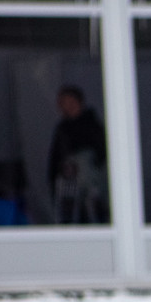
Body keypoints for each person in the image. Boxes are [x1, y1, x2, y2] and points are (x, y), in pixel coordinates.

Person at [47, 86, 107, 225]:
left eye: (66, 102)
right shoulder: (62, 129)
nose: (62, 107)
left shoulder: (92, 126)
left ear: (76, 101)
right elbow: (55, 159)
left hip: (92, 188)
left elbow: (102, 156)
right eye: (61, 103)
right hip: (68, 189)